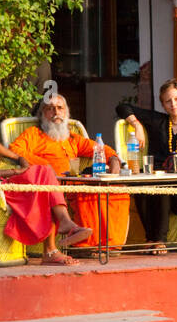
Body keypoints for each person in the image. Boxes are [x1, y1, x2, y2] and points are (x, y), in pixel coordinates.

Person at [0, 89, 91, 266]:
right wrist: (14, 172)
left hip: (2, 183)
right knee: (45, 174)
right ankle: (55, 242)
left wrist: (22, 160)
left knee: (44, 177)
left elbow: (13, 154)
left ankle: (57, 238)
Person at [9, 92, 128, 253]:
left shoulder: (72, 138)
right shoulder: (34, 134)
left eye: (60, 108)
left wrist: (114, 158)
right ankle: (87, 246)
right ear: (42, 114)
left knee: (117, 192)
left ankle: (110, 245)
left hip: (74, 183)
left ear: (66, 112)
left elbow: (99, 148)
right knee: (85, 194)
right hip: (50, 187)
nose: (56, 112)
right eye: (50, 109)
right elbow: (15, 150)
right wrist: (45, 165)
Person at [116, 79, 177, 254]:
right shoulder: (157, 120)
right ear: (163, 104)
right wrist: (137, 124)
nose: (173, 104)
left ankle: (158, 240)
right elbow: (122, 107)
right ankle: (151, 239)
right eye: (168, 101)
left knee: (163, 186)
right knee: (139, 184)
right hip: (157, 174)